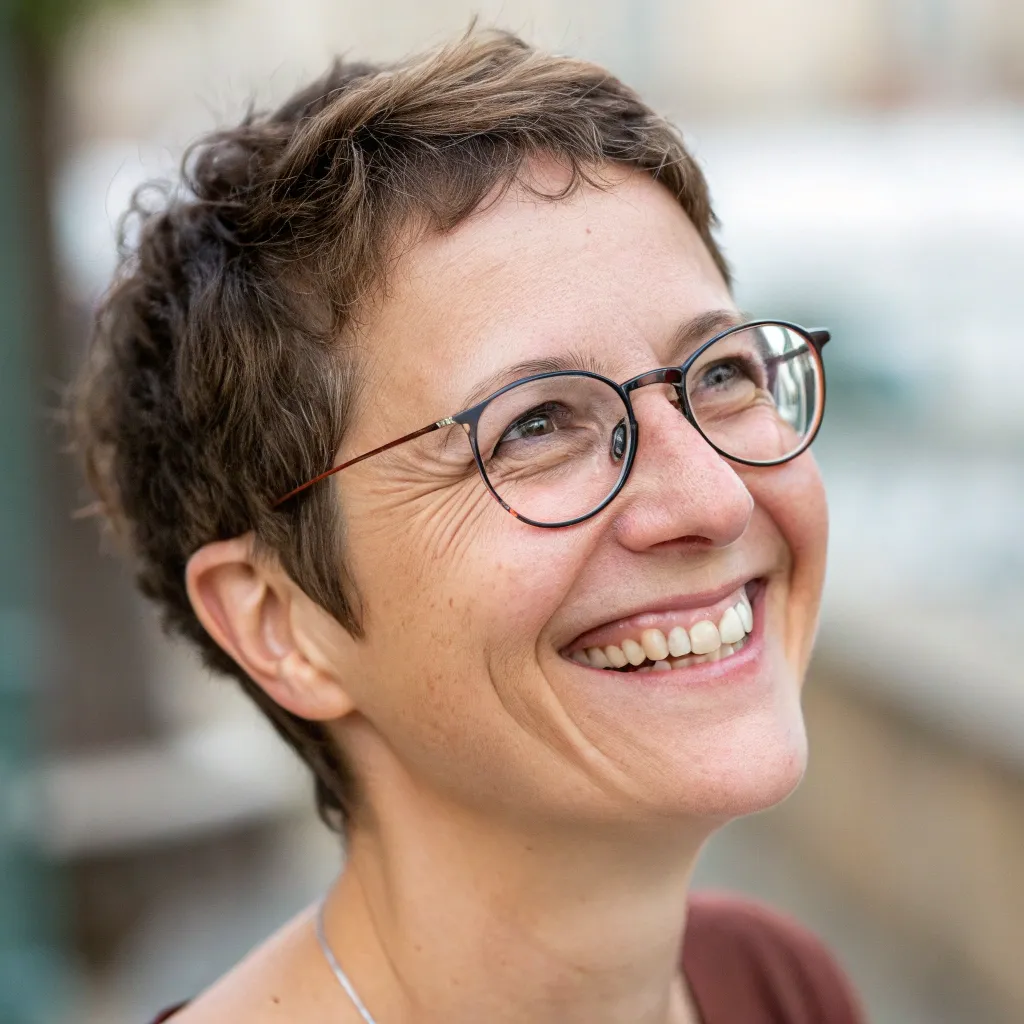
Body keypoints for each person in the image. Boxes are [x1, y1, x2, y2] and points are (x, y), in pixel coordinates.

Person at [73, 29, 863, 1024]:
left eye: (720, 374)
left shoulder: (776, 986)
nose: (714, 498)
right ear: (281, 622)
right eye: (535, 424)